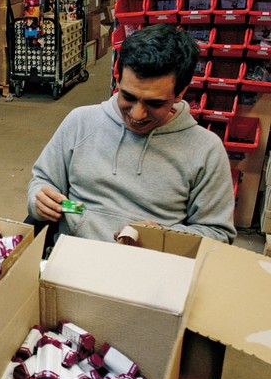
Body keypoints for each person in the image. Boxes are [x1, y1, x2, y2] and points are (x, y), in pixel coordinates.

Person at [27, 23, 236, 245]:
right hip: (72, 258)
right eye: (128, 96)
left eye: (155, 103)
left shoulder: (205, 150)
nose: (137, 114)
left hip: (153, 268)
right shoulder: (80, 123)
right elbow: (43, 181)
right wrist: (38, 198)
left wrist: (164, 236)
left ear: (181, 92)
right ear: (118, 77)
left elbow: (218, 234)